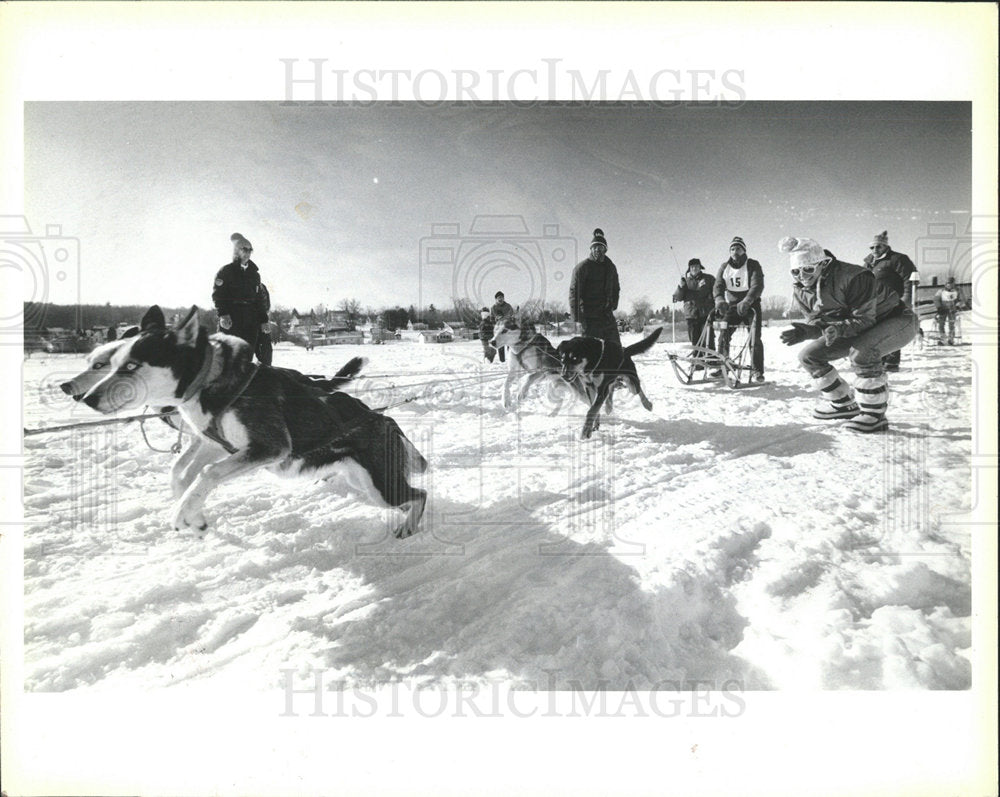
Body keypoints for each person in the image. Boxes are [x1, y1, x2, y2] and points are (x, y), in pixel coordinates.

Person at [778, 236, 916, 433]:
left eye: (808, 269)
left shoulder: (854, 276)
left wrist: (837, 329)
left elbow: (865, 319)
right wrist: (809, 331)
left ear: (823, 264)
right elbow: (820, 321)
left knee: (862, 352)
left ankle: (874, 414)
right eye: (796, 271)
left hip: (894, 319)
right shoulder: (801, 290)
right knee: (809, 356)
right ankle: (843, 404)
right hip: (852, 327)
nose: (802, 276)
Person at [212, 232, 270, 363]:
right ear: (237, 251)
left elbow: (259, 299)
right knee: (229, 357)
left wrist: (263, 320)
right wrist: (223, 314)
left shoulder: (254, 275)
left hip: (251, 321)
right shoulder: (225, 272)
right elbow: (218, 295)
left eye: (250, 250)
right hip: (232, 320)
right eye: (244, 249)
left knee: (246, 357)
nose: (248, 253)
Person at [862, 230, 916, 371]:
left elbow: (909, 280)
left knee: (891, 331)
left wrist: (906, 299)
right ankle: (878, 359)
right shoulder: (868, 263)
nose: (875, 250)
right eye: (872, 247)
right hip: (874, 304)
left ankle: (892, 363)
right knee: (875, 332)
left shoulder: (898, 259)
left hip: (893, 302)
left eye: (878, 246)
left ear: (885, 246)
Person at [713, 236, 765, 382]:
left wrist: (748, 300)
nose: (735, 251)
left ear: (744, 250)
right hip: (733, 306)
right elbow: (718, 285)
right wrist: (719, 299)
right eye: (732, 249)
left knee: (754, 338)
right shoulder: (724, 267)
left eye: (738, 248)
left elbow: (757, 285)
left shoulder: (753, 264)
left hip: (751, 306)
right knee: (724, 333)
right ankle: (722, 365)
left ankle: (757, 370)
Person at [568, 228, 622, 346]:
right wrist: (577, 318)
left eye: (600, 247)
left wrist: (613, 305)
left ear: (605, 249)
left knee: (615, 349)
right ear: (591, 249)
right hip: (589, 318)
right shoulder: (582, 268)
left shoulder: (611, 268)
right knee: (592, 352)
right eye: (595, 247)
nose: (597, 250)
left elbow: (616, 288)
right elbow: (574, 293)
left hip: (607, 317)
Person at [672, 257, 715, 350]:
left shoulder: (709, 279)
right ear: (689, 269)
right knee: (695, 341)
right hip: (691, 316)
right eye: (692, 267)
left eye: (696, 266)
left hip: (706, 315)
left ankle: (712, 361)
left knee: (708, 340)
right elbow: (677, 297)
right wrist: (680, 287)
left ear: (700, 267)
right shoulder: (685, 282)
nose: (694, 269)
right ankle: (697, 363)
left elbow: (717, 292)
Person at [933, 276, 965, 345]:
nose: (949, 285)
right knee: (941, 324)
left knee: (951, 324)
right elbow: (936, 299)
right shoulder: (941, 291)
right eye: (947, 283)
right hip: (943, 309)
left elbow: (962, 300)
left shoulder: (958, 291)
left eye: (950, 283)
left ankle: (951, 339)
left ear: (953, 284)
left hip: (952, 309)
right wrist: (939, 307)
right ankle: (942, 338)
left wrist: (957, 306)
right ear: (945, 284)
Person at [489, 292, 514, 362]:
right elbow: (491, 319)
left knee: (510, 344)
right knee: (500, 343)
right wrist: (495, 325)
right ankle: (502, 360)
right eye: (499, 298)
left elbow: (512, 315)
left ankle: (511, 358)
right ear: (496, 299)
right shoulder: (493, 308)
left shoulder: (508, 306)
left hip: (508, 328)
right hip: (499, 328)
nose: (500, 299)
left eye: (501, 297)